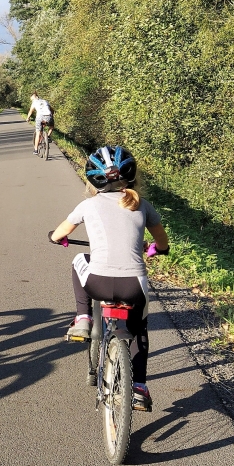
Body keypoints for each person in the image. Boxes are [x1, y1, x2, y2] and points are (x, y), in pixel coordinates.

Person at [48, 145, 169, 411]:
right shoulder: (143, 206)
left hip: (98, 283)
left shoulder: (87, 205)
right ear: (132, 176)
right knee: (139, 332)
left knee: (79, 260)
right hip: (133, 286)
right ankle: (138, 387)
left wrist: (58, 238)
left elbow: (58, 234)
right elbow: (162, 241)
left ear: (93, 180)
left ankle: (83, 317)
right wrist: (157, 249)